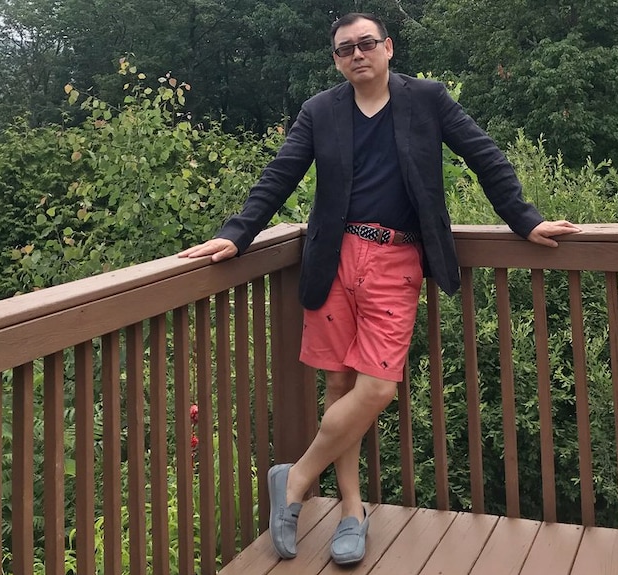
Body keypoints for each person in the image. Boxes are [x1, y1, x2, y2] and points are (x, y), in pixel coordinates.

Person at [179, 12, 580, 565]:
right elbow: (281, 174)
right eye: (345, 49)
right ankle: (351, 511)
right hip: (334, 256)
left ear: (388, 48)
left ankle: (293, 479)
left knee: (378, 387)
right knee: (340, 385)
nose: (357, 54)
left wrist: (524, 220)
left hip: (397, 258)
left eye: (367, 43)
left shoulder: (428, 100)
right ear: (337, 60)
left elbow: (484, 155)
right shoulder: (320, 112)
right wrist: (234, 234)